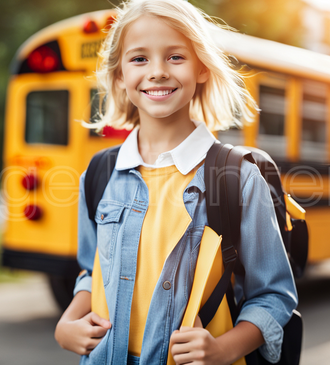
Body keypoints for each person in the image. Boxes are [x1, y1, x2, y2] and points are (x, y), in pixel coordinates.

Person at [54, 0, 298, 364]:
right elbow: (93, 271)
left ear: (201, 68)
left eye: (175, 57)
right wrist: (67, 322)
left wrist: (223, 350)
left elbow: (274, 295)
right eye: (139, 59)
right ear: (119, 74)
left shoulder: (237, 179)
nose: (157, 72)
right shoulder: (99, 174)